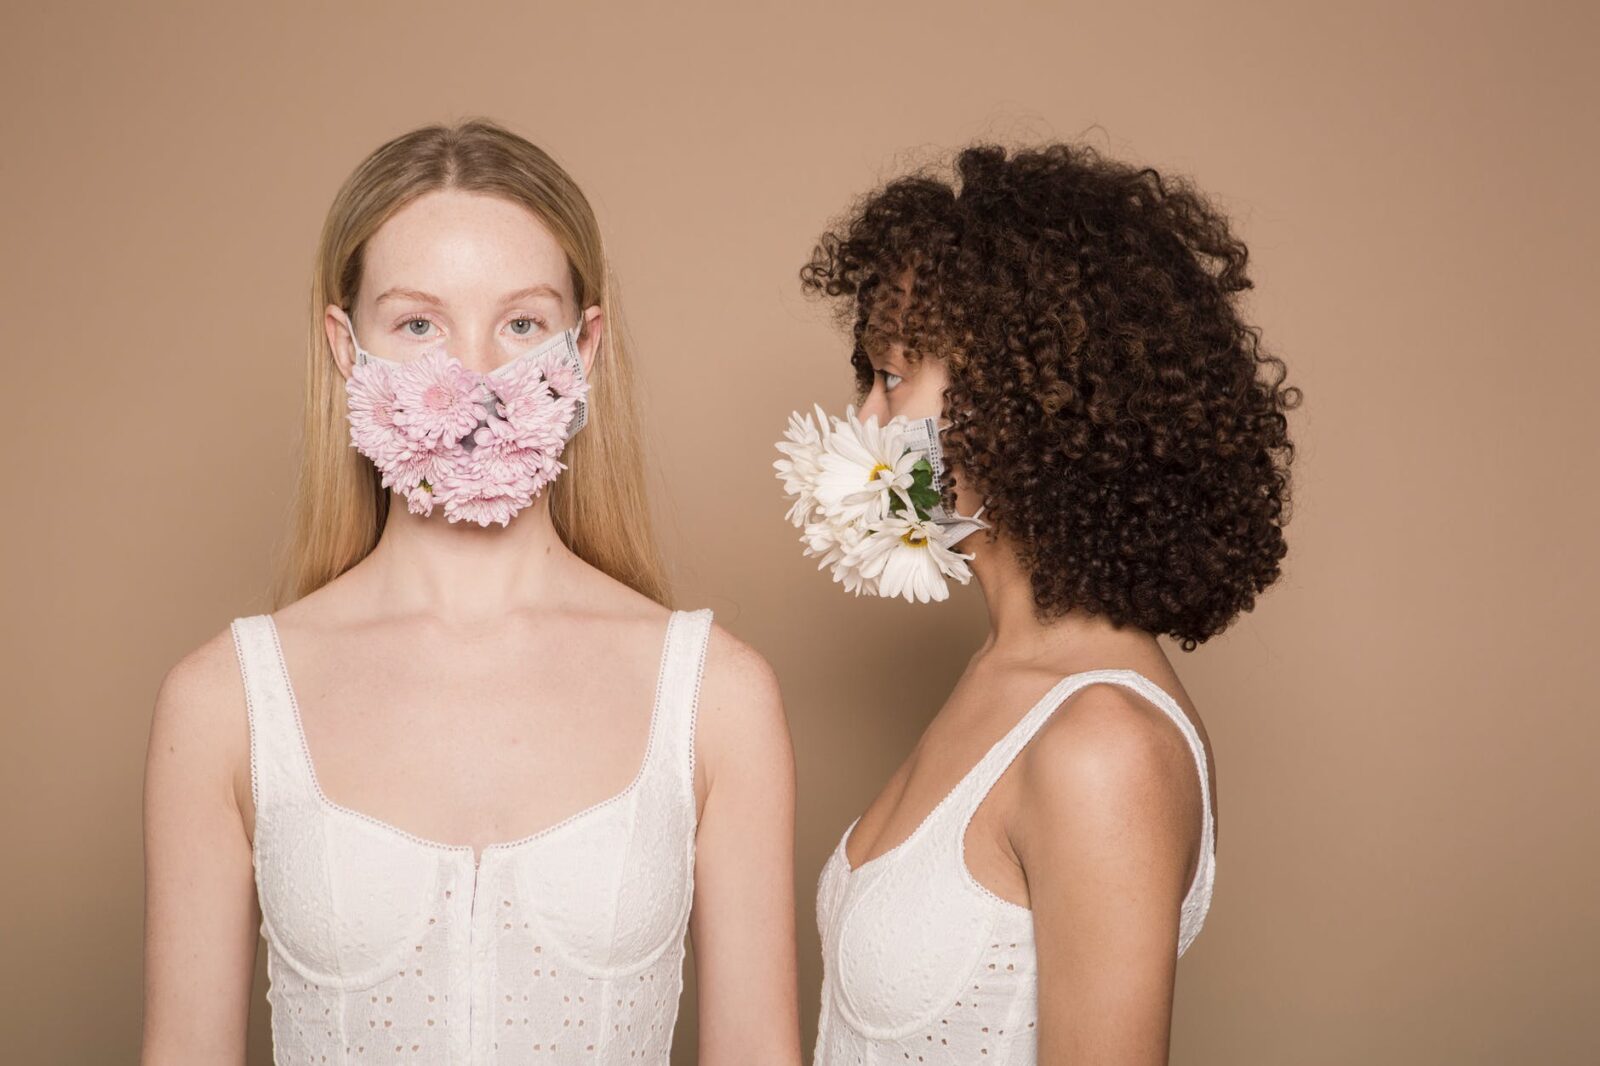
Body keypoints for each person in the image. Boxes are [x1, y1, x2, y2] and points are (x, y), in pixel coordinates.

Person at [142, 119, 802, 1065]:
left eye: (523, 324)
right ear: (344, 347)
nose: (477, 376)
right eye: (419, 324)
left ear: (587, 347)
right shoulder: (219, 703)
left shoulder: (719, 696)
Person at [779, 143, 1300, 1064]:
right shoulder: (1001, 671)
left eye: (893, 377)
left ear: (1019, 396)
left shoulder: (1106, 743)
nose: (864, 420)